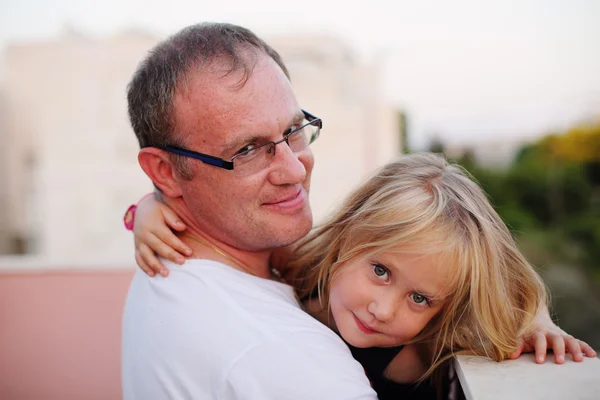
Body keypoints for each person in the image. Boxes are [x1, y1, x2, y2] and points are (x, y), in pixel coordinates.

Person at [131, 153, 596, 399]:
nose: (384, 308)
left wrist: (537, 318)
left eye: (420, 299)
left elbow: (509, 282)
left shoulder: (422, 349)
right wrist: (147, 209)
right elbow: (195, 210)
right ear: (351, 236)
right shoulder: (301, 267)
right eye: (380, 271)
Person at [121, 22, 378, 399]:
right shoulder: (287, 357)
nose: (295, 169)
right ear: (164, 172)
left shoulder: (172, 274)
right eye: (247, 150)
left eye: (294, 130)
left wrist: (146, 205)